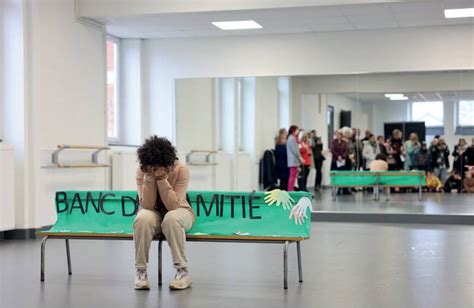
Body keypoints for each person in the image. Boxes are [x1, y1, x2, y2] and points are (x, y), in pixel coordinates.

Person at [134, 135, 195, 290]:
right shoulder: (144, 170)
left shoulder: (181, 170)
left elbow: (173, 205)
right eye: (151, 166)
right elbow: (147, 205)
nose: (155, 170)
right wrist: (149, 177)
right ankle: (141, 271)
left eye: (159, 166)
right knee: (142, 217)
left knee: (171, 218)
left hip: (180, 211)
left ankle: (183, 271)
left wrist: (162, 179)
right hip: (154, 213)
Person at [286, 125, 302, 192]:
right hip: (293, 161)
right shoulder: (292, 139)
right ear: (293, 130)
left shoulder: (292, 138)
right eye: (297, 130)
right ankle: (290, 189)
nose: (298, 132)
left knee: (293, 176)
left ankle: (291, 188)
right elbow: (295, 150)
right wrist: (300, 158)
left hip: (293, 161)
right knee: (292, 176)